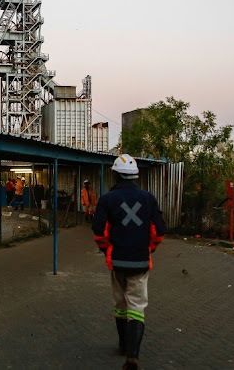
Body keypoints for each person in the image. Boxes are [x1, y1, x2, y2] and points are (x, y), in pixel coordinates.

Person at [92, 154, 166, 370]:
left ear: (114, 174)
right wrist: (148, 249)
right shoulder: (148, 198)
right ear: (135, 175)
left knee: (120, 304)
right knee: (137, 307)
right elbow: (159, 231)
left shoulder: (106, 199)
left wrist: (107, 250)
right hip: (141, 263)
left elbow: (99, 231)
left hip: (116, 263)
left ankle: (123, 346)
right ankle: (132, 357)